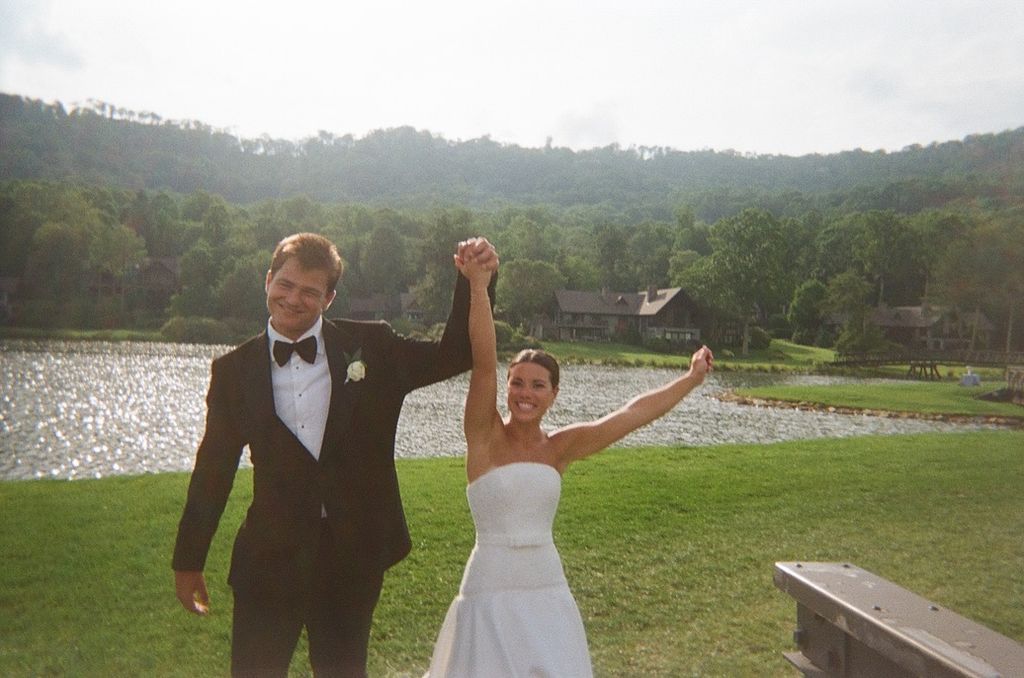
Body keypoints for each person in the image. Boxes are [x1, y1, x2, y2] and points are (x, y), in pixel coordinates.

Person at [172, 232, 497, 678]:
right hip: (268, 560)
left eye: (309, 291)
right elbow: (213, 471)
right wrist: (189, 559)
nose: (293, 299)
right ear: (267, 280)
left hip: (351, 558)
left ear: (329, 298)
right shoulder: (232, 372)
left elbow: (456, 354)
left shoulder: (373, 349)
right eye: (285, 284)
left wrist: (475, 282)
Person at [425, 250, 714, 677]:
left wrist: (690, 378)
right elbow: (484, 361)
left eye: (538, 386)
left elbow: (632, 415)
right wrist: (479, 287)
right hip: (490, 581)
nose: (526, 393)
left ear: (553, 394)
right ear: (506, 388)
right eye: (517, 383)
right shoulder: (483, 436)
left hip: (546, 583)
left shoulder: (561, 447)